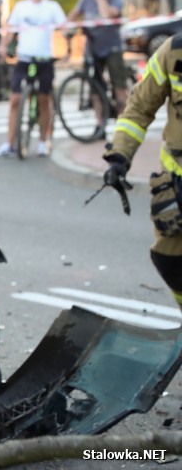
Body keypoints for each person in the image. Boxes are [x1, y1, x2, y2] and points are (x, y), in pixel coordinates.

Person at [103, 34, 182, 311]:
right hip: (177, 182)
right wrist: (119, 157)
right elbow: (138, 109)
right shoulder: (173, 51)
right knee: (170, 259)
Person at [0, 0, 66, 158]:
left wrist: (67, 44)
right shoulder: (21, 7)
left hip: (44, 59)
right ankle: (9, 144)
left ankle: (43, 141)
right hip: (24, 59)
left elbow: (63, 27)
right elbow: (10, 29)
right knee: (15, 99)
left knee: (43, 99)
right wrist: (3, 45)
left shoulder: (52, 7)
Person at [67, 0, 127, 140]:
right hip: (93, 48)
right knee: (95, 89)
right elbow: (74, 14)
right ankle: (100, 126)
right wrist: (67, 27)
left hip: (113, 47)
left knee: (119, 86)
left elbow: (107, 14)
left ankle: (123, 127)